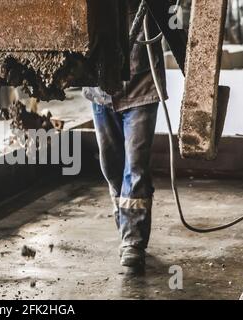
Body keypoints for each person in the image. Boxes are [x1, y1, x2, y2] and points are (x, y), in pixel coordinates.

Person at [83, 0, 167, 268]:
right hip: (101, 88)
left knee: (136, 166)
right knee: (111, 166)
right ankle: (125, 223)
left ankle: (133, 241)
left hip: (141, 83)